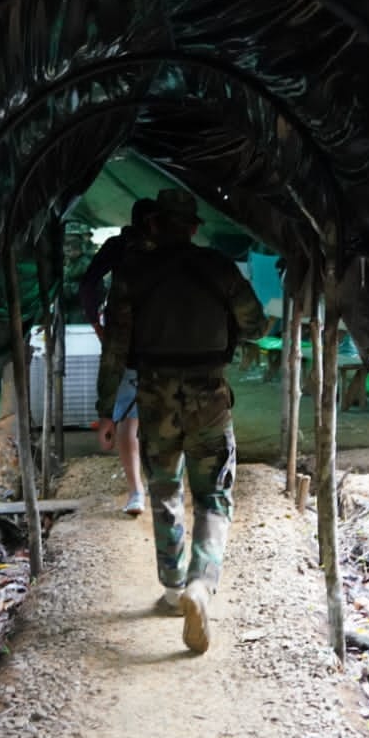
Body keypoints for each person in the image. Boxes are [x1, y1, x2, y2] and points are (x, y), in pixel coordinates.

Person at [95, 188, 267, 654]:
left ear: (154, 225)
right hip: (209, 395)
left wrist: (106, 409)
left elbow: (115, 348)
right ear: (193, 226)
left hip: (155, 397)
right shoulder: (218, 267)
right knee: (213, 495)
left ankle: (173, 591)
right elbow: (256, 325)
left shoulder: (132, 274)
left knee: (165, 489)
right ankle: (201, 584)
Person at [79, 198, 158, 515]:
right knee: (137, 416)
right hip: (155, 343)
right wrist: (98, 323)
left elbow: (89, 285)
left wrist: (97, 322)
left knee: (130, 417)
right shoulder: (165, 249)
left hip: (128, 340)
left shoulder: (119, 246)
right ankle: (144, 489)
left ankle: (138, 491)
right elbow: (89, 285)